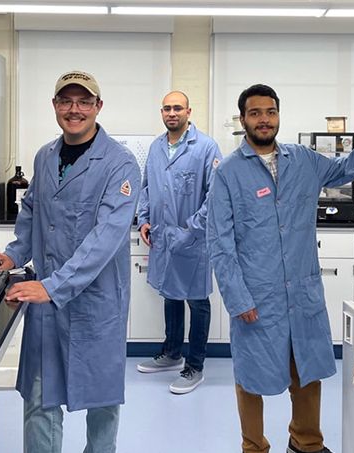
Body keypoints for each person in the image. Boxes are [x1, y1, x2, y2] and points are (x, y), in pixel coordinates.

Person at [206, 83, 354, 453]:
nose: (264, 120)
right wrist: (238, 298)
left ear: (278, 116)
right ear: (243, 120)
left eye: (270, 112)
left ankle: (306, 442)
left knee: (307, 371)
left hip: (301, 290)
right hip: (257, 294)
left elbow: (349, 167)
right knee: (251, 378)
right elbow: (220, 244)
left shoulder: (303, 160)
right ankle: (253, 445)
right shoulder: (227, 173)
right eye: (255, 113)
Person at [0, 70, 141, 453]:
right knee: (40, 398)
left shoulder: (119, 163)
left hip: (96, 304)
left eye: (84, 102)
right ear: (55, 106)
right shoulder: (46, 156)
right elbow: (32, 211)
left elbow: (105, 238)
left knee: (101, 405)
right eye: (66, 101)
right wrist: (13, 254)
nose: (74, 110)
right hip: (46, 302)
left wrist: (52, 287)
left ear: (98, 107)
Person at [135, 91, 222, 394]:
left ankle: (194, 366)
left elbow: (216, 197)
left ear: (188, 111)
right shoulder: (158, 147)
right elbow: (147, 187)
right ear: (162, 112)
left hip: (192, 238)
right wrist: (143, 219)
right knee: (169, 293)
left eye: (177, 108)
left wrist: (191, 228)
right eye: (166, 108)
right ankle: (172, 353)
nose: (171, 113)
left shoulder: (206, 147)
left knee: (197, 300)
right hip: (162, 235)